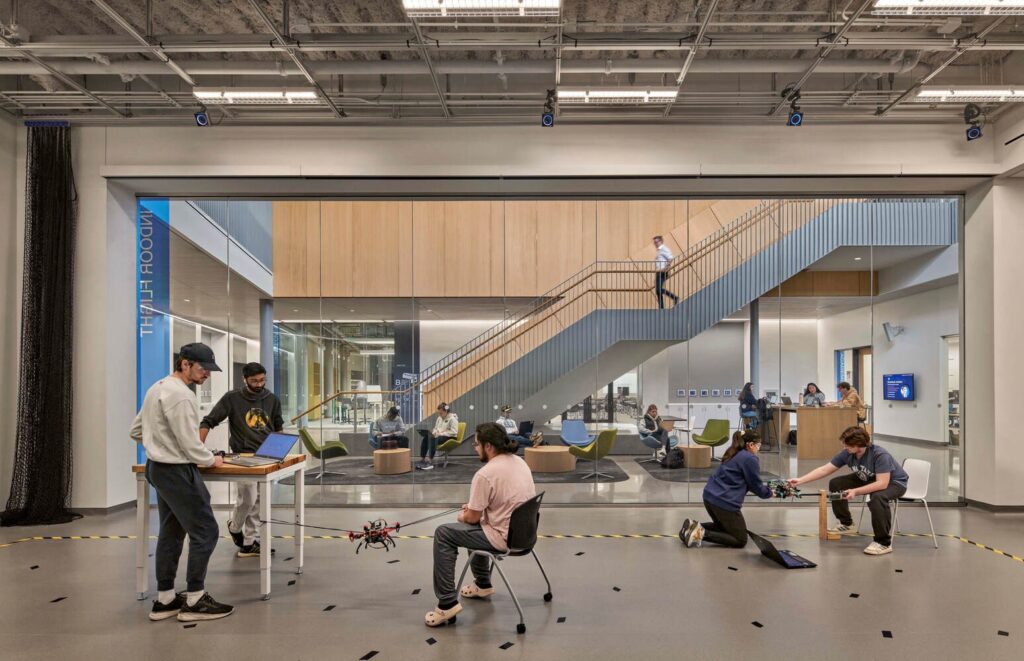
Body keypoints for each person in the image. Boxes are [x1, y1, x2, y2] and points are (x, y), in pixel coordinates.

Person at [129, 342, 234, 622]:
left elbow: (136, 430)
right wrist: (212, 460)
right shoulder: (183, 396)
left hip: (157, 468)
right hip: (177, 472)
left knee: (171, 531)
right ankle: (195, 600)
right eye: (203, 369)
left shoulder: (156, 388)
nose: (207, 375)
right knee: (206, 531)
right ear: (184, 363)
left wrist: (159, 445)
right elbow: (190, 445)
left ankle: (165, 600)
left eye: (210, 370)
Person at [425, 422, 536, 627]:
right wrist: (476, 508)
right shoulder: (520, 462)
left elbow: (472, 519)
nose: (475, 448)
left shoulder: (485, 474)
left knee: (444, 533)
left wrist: (464, 515)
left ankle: (447, 604)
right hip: (524, 534)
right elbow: (504, 500)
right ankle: (482, 584)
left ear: (488, 447)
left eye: (476, 444)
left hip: (501, 538)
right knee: (475, 526)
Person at [200, 362, 283, 558]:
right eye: (254, 381)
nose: (259, 384)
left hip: (268, 456)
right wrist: (198, 449)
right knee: (247, 499)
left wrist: (282, 450)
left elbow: (278, 426)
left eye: (262, 380)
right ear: (244, 379)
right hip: (243, 457)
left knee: (261, 502)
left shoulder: (272, 399)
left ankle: (249, 543)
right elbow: (208, 421)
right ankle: (235, 527)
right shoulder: (232, 398)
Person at [788, 426, 908, 555]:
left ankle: (883, 542)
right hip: (870, 478)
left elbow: (882, 483)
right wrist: (800, 480)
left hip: (894, 483)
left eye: (848, 445)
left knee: (877, 497)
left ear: (860, 444)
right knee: (836, 483)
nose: (845, 447)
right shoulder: (848, 453)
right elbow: (825, 469)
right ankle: (846, 523)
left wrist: (856, 491)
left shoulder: (880, 455)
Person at [679, 429, 772, 548]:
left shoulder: (734, 453)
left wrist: (765, 491)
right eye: (758, 445)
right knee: (740, 539)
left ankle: (691, 527)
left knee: (723, 528)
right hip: (724, 501)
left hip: (710, 497)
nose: (758, 449)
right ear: (750, 445)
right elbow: (756, 486)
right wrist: (770, 493)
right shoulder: (749, 458)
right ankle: (700, 533)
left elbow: (749, 483)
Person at [417, 402, 459, 470]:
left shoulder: (453, 419)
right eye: (439, 413)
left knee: (433, 439)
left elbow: (454, 432)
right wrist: (434, 432)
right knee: (426, 438)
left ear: (446, 411)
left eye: (441, 413)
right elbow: (436, 428)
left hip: (450, 437)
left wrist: (440, 434)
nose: (439, 415)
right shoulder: (439, 418)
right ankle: (422, 459)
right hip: (439, 435)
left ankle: (430, 461)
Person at [653, 235, 679, 309]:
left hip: (663, 272)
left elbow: (670, 258)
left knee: (658, 289)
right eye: (654, 242)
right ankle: (661, 308)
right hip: (659, 272)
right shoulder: (659, 250)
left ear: (661, 241)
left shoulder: (664, 248)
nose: (655, 244)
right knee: (658, 291)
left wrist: (666, 267)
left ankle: (675, 298)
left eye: (657, 242)